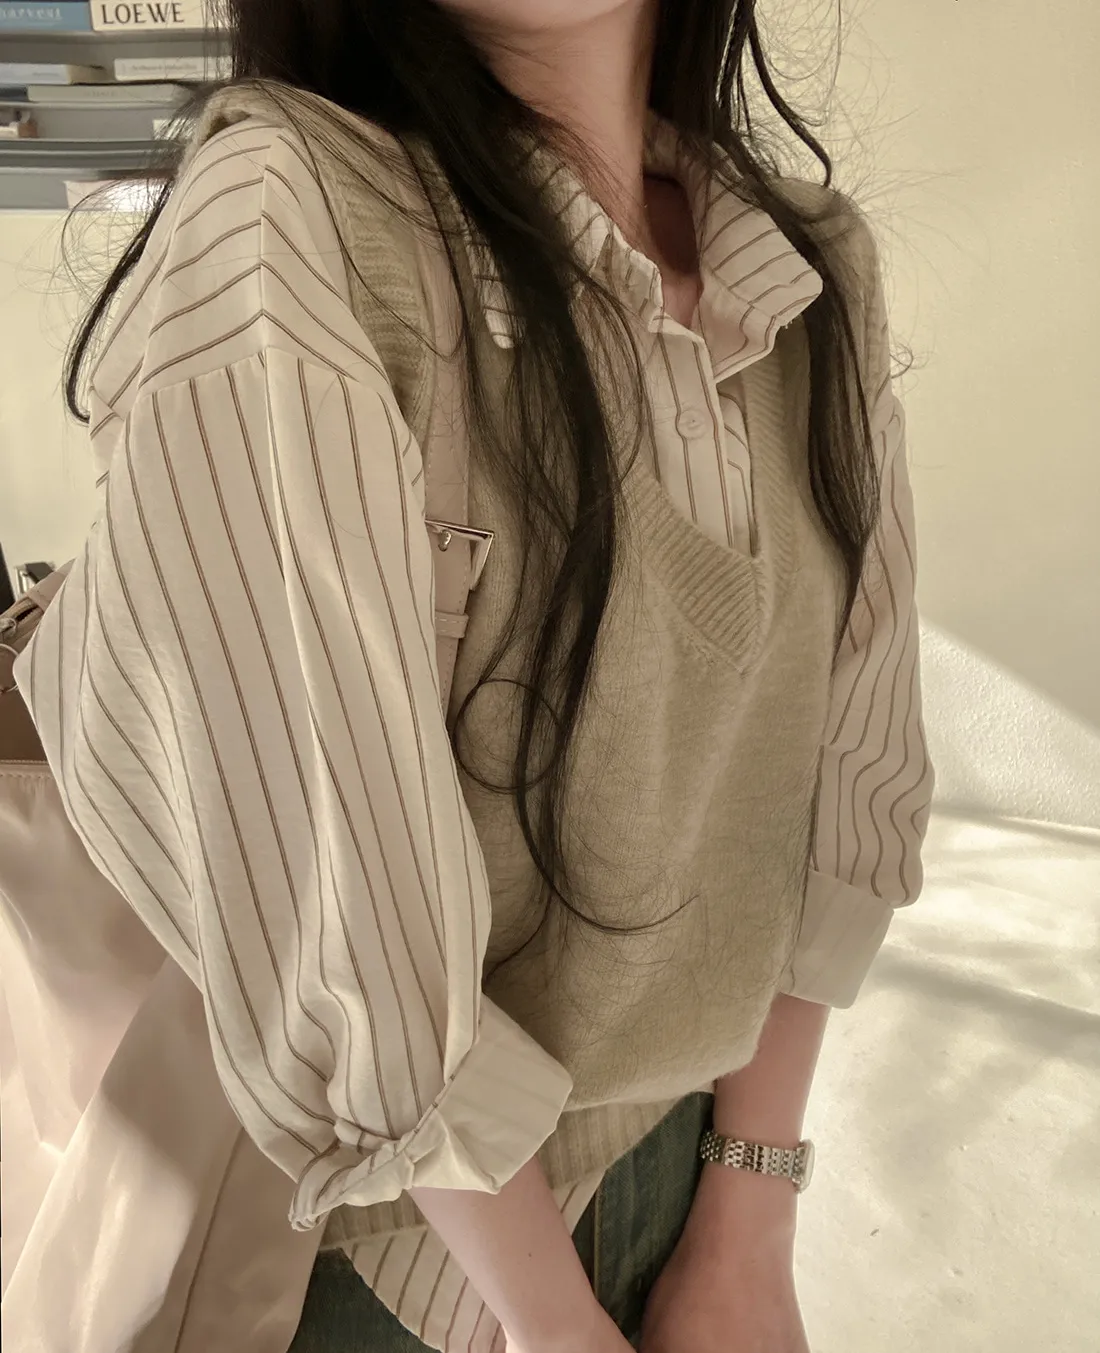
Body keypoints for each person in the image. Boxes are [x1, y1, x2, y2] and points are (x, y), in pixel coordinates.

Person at [20, 2, 935, 1351]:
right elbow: (337, 899)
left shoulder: (807, 267)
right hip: (391, 1254)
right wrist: (553, 1322)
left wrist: (750, 1223)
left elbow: (853, 780)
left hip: (694, 1171)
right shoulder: (295, 209)